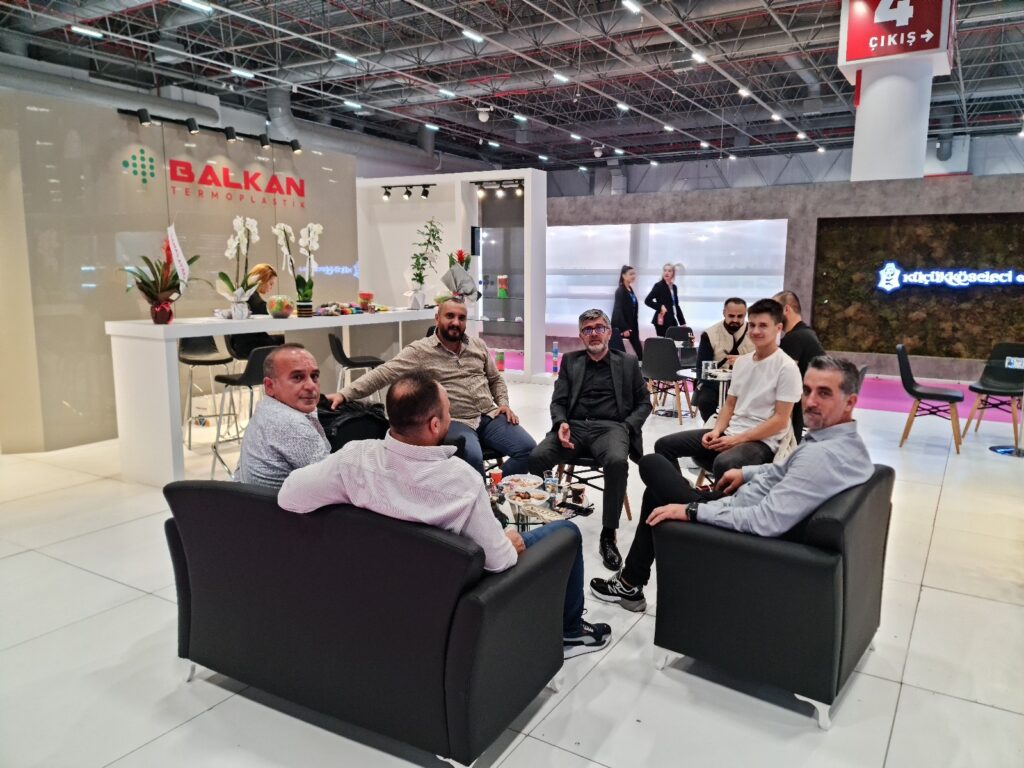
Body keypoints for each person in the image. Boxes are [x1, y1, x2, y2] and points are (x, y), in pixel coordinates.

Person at [280, 372, 612, 658]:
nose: (451, 418)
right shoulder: (460, 481)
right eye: (449, 411)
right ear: (435, 424)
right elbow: (498, 562)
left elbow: (289, 494)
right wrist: (510, 543)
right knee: (566, 533)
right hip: (451, 594)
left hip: (379, 586)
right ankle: (570, 631)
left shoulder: (353, 458)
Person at [591, 355, 875, 611]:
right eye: (807, 390)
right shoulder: (843, 444)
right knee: (656, 490)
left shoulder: (820, 456)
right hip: (741, 503)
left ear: (850, 402)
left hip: (737, 533)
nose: (810, 402)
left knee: (652, 464)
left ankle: (631, 581)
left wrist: (691, 510)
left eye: (824, 393)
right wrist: (747, 474)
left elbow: (763, 522)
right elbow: (784, 471)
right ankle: (630, 583)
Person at [325, 296, 535, 476]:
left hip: (488, 415)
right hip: (456, 420)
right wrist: (344, 394)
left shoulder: (477, 345)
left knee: (529, 450)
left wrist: (503, 403)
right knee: (472, 458)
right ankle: (478, 503)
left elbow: (495, 379)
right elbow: (384, 373)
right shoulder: (420, 351)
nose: (456, 322)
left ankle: (494, 493)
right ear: (437, 318)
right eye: (449, 316)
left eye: (461, 318)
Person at [528, 309, 652, 571]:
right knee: (537, 457)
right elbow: (558, 401)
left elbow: (644, 403)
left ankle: (608, 534)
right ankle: (549, 520)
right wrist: (561, 423)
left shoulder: (628, 362)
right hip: (573, 427)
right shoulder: (570, 361)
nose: (593, 333)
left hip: (611, 428)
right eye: (587, 329)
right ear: (581, 335)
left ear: (608, 332)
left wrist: (627, 427)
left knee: (617, 462)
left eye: (599, 328)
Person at [654, 298, 801, 478]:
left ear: (778, 328)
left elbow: (780, 420)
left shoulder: (787, 367)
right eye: (752, 325)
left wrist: (737, 439)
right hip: (731, 431)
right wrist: (716, 431)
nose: (755, 331)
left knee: (724, 462)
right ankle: (681, 492)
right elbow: (729, 405)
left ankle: (712, 497)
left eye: (763, 325)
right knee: (664, 446)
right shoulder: (742, 363)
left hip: (763, 442)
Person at [235, 343, 330, 488]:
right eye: (297, 377)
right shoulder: (293, 425)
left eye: (314, 376)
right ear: (269, 386)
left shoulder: (265, 408)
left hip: (251, 500)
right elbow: (334, 484)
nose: (311, 386)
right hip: (281, 503)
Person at [773, 290, 826, 441]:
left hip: (803, 405)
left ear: (786, 309)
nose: (772, 315)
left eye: (775, 310)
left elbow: (780, 374)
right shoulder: (806, 333)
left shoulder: (795, 338)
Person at [692, 297, 756, 421]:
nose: (735, 320)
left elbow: (766, 361)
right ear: (724, 313)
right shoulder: (710, 334)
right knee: (705, 401)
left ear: (746, 314)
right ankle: (711, 428)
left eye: (740, 316)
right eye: (731, 316)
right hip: (715, 383)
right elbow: (702, 369)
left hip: (748, 382)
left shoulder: (756, 333)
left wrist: (744, 360)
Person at [644, 262, 686, 337]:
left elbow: (676, 306)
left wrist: (682, 322)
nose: (666, 272)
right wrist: (660, 306)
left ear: (673, 273)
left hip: (672, 320)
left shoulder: (674, 287)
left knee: (675, 341)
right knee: (664, 343)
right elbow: (647, 301)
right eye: (665, 270)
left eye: (669, 271)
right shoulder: (658, 286)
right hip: (662, 321)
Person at [611, 265, 643, 359]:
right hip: (622, 327)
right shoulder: (620, 291)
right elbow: (618, 311)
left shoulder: (630, 290)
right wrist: (624, 328)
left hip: (632, 327)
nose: (633, 276)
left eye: (634, 274)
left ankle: (642, 367)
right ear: (624, 276)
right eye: (631, 274)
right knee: (619, 354)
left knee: (640, 353)